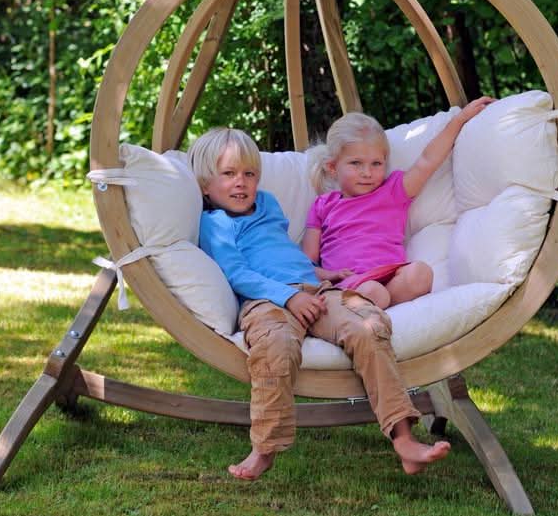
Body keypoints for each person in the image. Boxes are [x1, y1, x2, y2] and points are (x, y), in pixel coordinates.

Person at [188, 127, 450, 481]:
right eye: (229, 174)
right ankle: (264, 448)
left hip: (317, 289)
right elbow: (237, 273)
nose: (242, 183)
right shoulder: (214, 223)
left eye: (249, 173)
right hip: (266, 301)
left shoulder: (266, 203)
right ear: (205, 184)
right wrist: (289, 296)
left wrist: (322, 275)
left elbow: (285, 253)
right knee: (275, 347)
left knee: (368, 327)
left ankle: (403, 438)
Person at [303, 100, 494, 310]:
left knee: (421, 273)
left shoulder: (393, 190)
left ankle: (376, 305)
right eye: (356, 163)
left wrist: (460, 119)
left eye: (376, 163)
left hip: (390, 276)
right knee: (372, 291)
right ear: (332, 167)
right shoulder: (323, 205)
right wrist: (328, 276)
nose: (367, 172)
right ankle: (365, 304)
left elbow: (427, 161)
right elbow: (306, 262)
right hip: (346, 283)